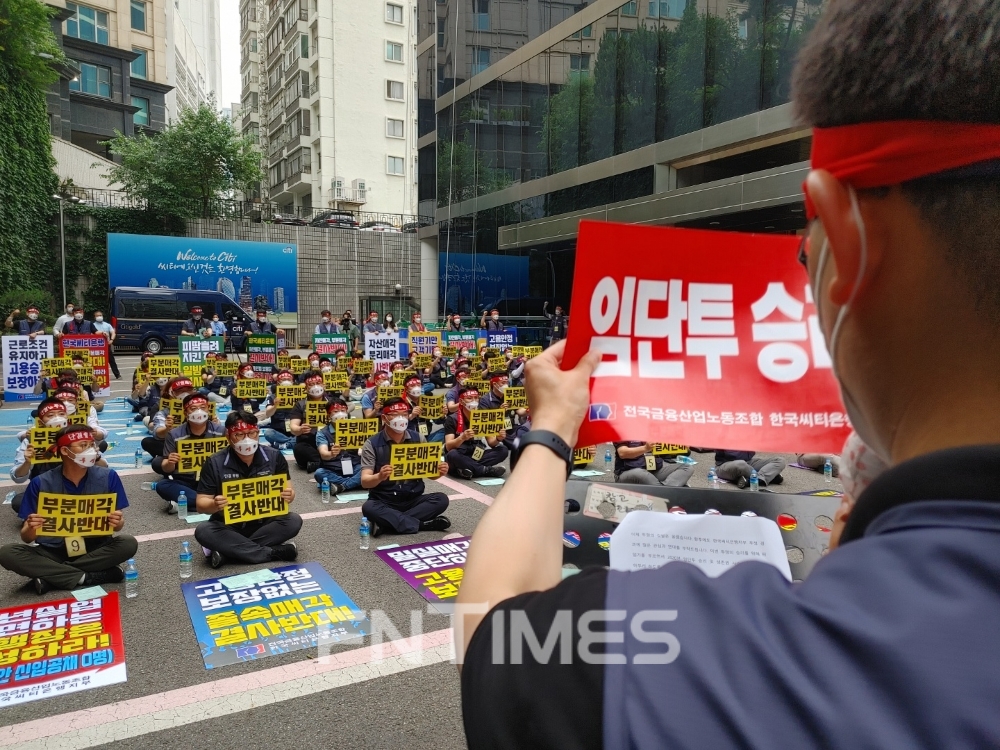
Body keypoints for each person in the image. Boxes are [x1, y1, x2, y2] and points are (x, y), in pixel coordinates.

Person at [458, 4, 1000, 744]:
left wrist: (551, 429)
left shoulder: (728, 670)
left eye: (806, 252)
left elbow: (498, 626)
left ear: (845, 233)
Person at [0, 426, 138, 594]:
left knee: (128, 543)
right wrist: (30, 528)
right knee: (7, 553)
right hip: (54, 550)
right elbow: (27, 538)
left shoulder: (109, 476)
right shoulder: (40, 483)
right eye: (83, 445)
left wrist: (118, 522)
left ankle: (53, 576)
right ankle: (87, 577)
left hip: (95, 548)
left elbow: (116, 527)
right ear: (65, 451)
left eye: (92, 445)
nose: (91, 450)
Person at [194, 412, 300, 568]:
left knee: (293, 520)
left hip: (264, 523)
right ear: (228, 437)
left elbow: (288, 489)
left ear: (258, 432)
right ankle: (272, 553)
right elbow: (201, 503)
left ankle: (229, 553)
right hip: (228, 525)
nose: (247, 439)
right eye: (239, 435)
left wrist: (289, 495)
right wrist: (214, 505)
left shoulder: (274, 456)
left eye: (252, 433)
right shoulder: (214, 462)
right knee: (203, 531)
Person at [360, 398, 451, 537]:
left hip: (413, 498)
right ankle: (422, 524)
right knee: (369, 508)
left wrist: (439, 472)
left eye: (404, 414)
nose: (401, 418)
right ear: (384, 418)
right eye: (395, 414)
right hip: (384, 500)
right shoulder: (371, 444)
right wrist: (379, 476)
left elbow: (430, 473)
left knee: (441, 499)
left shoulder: (418, 438)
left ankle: (388, 523)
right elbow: (365, 481)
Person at [153, 394, 226, 514]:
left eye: (203, 407)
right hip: (186, 480)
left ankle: (194, 504)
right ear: (185, 413)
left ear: (209, 410)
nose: (199, 411)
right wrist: (171, 462)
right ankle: (210, 505)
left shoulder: (221, 431)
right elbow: (167, 469)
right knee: (162, 485)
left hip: (212, 481)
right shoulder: (174, 434)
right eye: (193, 408)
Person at [443, 386, 508, 479]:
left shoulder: (483, 416)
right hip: (460, 454)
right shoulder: (452, 419)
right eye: (469, 398)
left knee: (503, 450)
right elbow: (448, 446)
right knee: (452, 455)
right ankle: (486, 470)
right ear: (461, 401)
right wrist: (462, 438)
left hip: (477, 453)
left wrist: (498, 438)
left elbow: (491, 442)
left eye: (476, 398)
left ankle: (466, 469)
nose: (474, 401)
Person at [314, 399, 363, 495]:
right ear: (328, 414)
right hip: (333, 470)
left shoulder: (356, 428)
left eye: (343, 411)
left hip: (355, 466)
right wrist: (331, 453)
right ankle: (356, 482)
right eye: (336, 412)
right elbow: (324, 454)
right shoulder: (322, 433)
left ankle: (342, 486)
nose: (340, 414)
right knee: (319, 473)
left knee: (370, 468)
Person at [141, 377, 197, 458]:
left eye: (188, 390)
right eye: (180, 391)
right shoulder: (162, 409)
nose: (185, 394)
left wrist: (216, 423)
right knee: (148, 443)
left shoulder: (202, 406)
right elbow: (158, 433)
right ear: (171, 393)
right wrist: (167, 429)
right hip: (174, 444)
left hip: (198, 442)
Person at [287, 373, 330, 471]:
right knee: (299, 448)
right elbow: (293, 427)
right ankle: (327, 462)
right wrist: (300, 429)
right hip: (309, 441)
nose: (315, 386)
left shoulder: (333, 403)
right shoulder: (300, 404)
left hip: (330, 440)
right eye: (311, 384)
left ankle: (318, 463)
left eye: (318, 383)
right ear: (306, 388)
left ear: (324, 385)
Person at [613, 441, 694, 486]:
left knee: (687, 467)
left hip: (652, 470)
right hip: (627, 473)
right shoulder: (624, 429)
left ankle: (664, 490)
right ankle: (667, 492)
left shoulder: (652, 429)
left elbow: (663, 451)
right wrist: (645, 448)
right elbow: (622, 453)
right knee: (640, 473)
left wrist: (681, 447)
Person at [713, 449, 786, 488]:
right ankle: (768, 477)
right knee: (741, 464)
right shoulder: (725, 431)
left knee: (780, 460)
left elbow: (751, 454)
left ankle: (755, 480)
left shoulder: (748, 432)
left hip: (748, 462)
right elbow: (732, 455)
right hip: (726, 465)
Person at [90, 309, 121, 379]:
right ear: (94, 317)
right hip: (96, 346)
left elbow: (113, 332)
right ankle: (96, 375)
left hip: (106, 345)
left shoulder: (107, 325)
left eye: (100, 315)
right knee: (96, 361)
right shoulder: (92, 325)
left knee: (111, 360)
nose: (99, 317)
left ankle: (117, 374)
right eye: (97, 316)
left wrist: (112, 340)